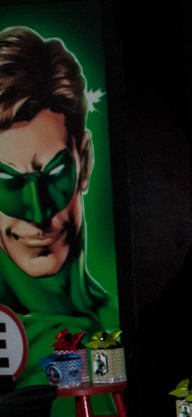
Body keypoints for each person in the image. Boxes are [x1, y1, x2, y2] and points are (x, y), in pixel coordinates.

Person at [0, 28, 113, 386]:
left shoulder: (114, 318)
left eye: (54, 173)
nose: (37, 214)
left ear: (85, 160)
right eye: (8, 182)